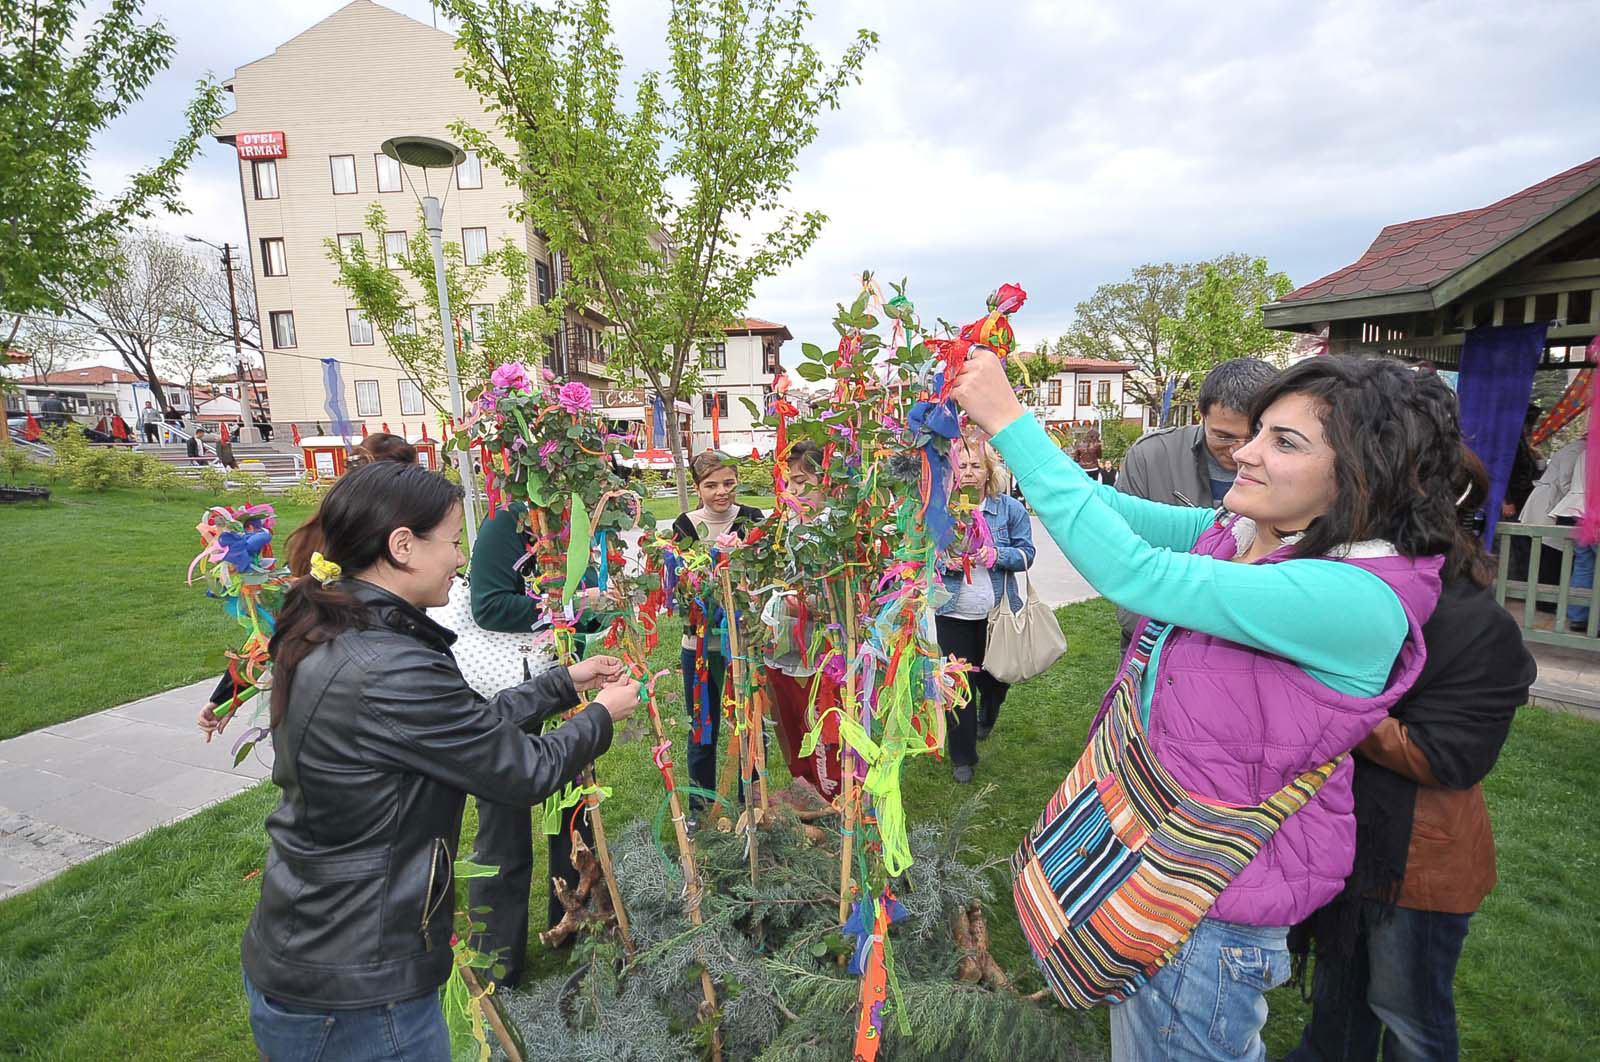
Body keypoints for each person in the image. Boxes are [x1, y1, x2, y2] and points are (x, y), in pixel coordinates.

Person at [952, 351, 1473, 1062]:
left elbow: (1136, 574)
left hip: (1210, 906)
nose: (1246, 455)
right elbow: (1110, 511)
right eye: (1257, 432)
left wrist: (1010, 419)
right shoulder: (1256, 533)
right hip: (1165, 867)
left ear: (1363, 473)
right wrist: (1012, 461)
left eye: (1284, 442)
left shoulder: (1354, 598)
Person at [239, 461, 640, 1059]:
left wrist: (565, 683)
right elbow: (520, 769)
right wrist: (601, 715)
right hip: (359, 982)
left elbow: (454, 728)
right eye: (453, 541)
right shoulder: (390, 664)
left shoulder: (348, 631)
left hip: (321, 943)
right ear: (403, 546)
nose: (461, 559)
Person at [1287, 449, 1537, 1062]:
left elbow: (1446, 757)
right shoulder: (1361, 591)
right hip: (1347, 840)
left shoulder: (1476, 623)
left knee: (1409, 1015)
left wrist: (1335, 699)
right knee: (1339, 997)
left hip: (1416, 864)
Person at [462, 496, 620, 986]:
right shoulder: (506, 521)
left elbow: (582, 607)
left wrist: (596, 610)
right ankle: (498, 958)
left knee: (572, 817)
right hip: (509, 694)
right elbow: (487, 605)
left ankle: (572, 921)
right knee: (503, 834)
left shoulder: (580, 516)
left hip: (566, 684)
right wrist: (566, 604)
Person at [198, 435, 421, 740]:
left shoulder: (315, 532)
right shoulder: (376, 543)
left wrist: (224, 695)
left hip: (317, 699)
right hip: (363, 698)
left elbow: (281, 622)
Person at [1113, 356, 1277, 648]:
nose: (1239, 451)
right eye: (1224, 436)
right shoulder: (1152, 457)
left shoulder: (1295, 473)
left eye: (1253, 435)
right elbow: (1121, 547)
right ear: (1201, 416)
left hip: (1247, 642)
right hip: (1153, 633)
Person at [671, 451, 765, 823]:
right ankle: (700, 808)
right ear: (698, 489)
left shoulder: (752, 519)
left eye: (728, 483)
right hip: (700, 646)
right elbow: (678, 587)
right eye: (711, 485)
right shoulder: (686, 525)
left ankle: (752, 804)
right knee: (702, 725)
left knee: (751, 722)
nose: (721, 492)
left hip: (743, 643)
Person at [935, 436, 1035, 782]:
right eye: (962, 465)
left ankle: (988, 714)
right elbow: (922, 557)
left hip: (997, 616)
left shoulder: (1008, 509)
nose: (969, 472)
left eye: (976, 465)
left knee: (995, 680)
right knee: (959, 685)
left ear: (989, 471)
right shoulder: (942, 509)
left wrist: (997, 555)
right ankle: (963, 757)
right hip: (953, 614)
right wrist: (941, 562)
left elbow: (1027, 554)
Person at [763, 441, 845, 802]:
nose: (793, 490)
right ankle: (804, 785)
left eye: (800, 481)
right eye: (788, 483)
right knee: (792, 717)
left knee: (821, 718)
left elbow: (845, 596)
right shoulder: (782, 527)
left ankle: (832, 793)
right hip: (784, 643)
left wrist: (809, 603)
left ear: (823, 481)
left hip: (823, 649)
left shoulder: (838, 530)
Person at [1521, 432, 1592, 631]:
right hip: (1559, 503)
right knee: (1552, 555)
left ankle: (1574, 612)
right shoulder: (1576, 450)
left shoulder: (1584, 452)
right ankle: (1547, 602)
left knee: (1574, 561)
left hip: (1570, 505)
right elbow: (1564, 482)